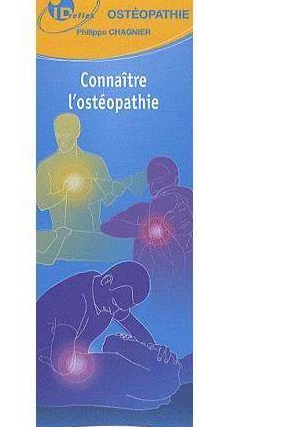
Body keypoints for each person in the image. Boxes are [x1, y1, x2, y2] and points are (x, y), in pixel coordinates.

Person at [36, 261, 192, 409]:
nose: (115, 311)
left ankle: (171, 373)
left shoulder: (108, 297)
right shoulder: (75, 298)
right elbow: (61, 361)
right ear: (106, 281)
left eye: (123, 308)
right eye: (116, 304)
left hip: (69, 368)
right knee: (118, 368)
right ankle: (171, 374)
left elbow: (136, 328)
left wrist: (154, 353)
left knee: (123, 366)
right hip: (45, 370)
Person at [36, 113, 145, 264]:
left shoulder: (95, 162)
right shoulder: (46, 166)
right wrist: (63, 192)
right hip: (63, 240)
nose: (61, 139)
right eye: (58, 134)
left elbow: (108, 199)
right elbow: (41, 203)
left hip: (92, 238)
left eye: (66, 134)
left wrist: (123, 185)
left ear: (77, 132)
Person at [101, 157, 193, 286]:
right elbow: (108, 226)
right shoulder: (145, 212)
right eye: (157, 183)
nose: (179, 208)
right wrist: (146, 230)